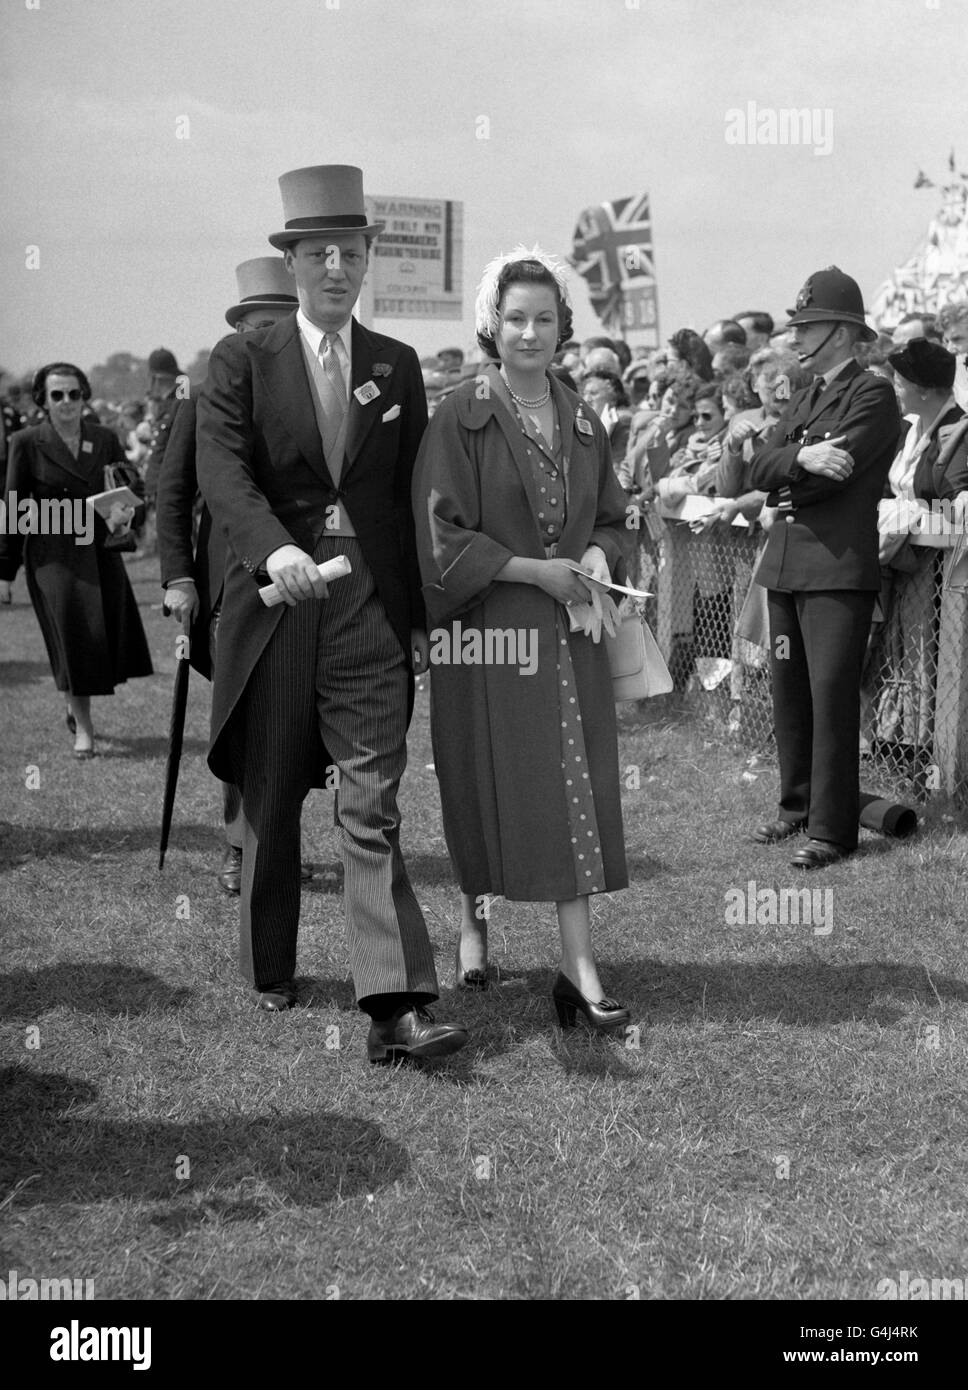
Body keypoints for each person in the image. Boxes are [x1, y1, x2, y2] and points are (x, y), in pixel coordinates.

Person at [195, 164, 467, 1063]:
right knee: (272, 794)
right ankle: (269, 960)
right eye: (320, 254)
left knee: (371, 801)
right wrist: (272, 545)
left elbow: (406, 496)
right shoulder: (240, 359)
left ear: (366, 260)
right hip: (274, 609)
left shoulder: (395, 365)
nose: (337, 268)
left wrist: (419, 614)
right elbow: (222, 474)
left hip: (369, 615)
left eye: (351, 253)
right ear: (294, 261)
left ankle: (395, 1004)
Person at [412, 247, 632, 1033]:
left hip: (568, 637)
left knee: (570, 776)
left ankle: (578, 966)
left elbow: (612, 513)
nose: (530, 332)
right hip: (483, 639)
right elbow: (440, 537)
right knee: (478, 780)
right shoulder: (458, 412)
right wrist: (534, 571)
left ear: (563, 327)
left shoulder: (583, 416)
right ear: (490, 325)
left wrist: (602, 552)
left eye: (544, 318)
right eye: (515, 318)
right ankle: (474, 923)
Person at [745, 266, 901, 868]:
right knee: (789, 693)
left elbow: (845, 471)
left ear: (841, 331)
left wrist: (790, 479)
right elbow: (763, 467)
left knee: (831, 694)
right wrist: (800, 460)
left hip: (836, 567)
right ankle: (797, 806)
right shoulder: (805, 393)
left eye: (807, 326)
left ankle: (833, 829)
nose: (797, 336)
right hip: (787, 565)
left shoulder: (872, 392)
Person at [156, 256, 300, 894]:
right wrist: (178, 578)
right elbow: (173, 492)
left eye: (281, 324)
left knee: (290, 723)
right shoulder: (207, 389)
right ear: (241, 326)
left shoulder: (313, 388)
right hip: (225, 588)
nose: (268, 337)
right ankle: (240, 844)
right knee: (237, 720)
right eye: (259, 325)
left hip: (300, 579)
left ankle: (277, 839)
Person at [0, 362, 153, 755]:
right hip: (52, 556)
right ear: (43, 400)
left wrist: (126, 512)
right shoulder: (26, 442)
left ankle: (73, 704)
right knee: (73, 635)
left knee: (100, 636)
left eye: (74, 394)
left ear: (84, 396)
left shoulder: (103, 437)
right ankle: (84, 727)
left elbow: (131, 483)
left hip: (100, 551)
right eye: (57, 395)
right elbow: (15, 509)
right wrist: (5, 570)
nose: (67, 403)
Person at [867, 339, 968, 779]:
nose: (894, 386)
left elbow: (955, 500)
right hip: (904, 567)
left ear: (924, 388)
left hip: (938, 575)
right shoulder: (909, 429)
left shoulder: (957, 431)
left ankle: (933, 760)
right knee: (898, 655)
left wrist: (912, 514)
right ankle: (896, 746)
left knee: (926, 659)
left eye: (900, 379)